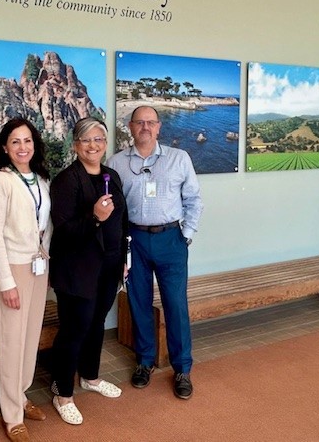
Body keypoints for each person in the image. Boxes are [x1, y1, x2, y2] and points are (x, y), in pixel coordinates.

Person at [107, 106, 203, 400]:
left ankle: (182, 369)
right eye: (139, 122)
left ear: (159, 127)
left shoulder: (179, 158)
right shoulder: (116, 163)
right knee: (139, 302)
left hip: (171, 239)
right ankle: (145, 361)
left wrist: (186, 236)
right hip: (133, 240)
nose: (145, 127)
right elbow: (112, 208)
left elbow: (194, 199)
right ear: (130, 127)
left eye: (150, 122)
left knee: (176, 305)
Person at [48, 117, 129, 425]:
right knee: (75, 328)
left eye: (99, 139)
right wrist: (95, 217)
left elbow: (122, 221)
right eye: (86, 140)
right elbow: (64, 232)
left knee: (96, 324)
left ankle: (90, 377)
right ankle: (63, 393)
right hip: (77, 269)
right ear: (75, 146)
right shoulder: (66, 181)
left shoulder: (112, 176)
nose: (93, 145)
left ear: (105, 144)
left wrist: (124, 257)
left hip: (109, 266)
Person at [0, 118, 53, 442]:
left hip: (38, 266)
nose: (22, 147)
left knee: (29, 337)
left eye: (27, 140)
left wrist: (45, 258)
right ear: (5, 147)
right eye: (15, 141)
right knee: (10, 341)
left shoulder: (41, 179)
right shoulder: (0, 181)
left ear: (34, 144)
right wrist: (6, 282)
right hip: (12, 268)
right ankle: (12, 416)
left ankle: (21, 396)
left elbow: (45, 225)